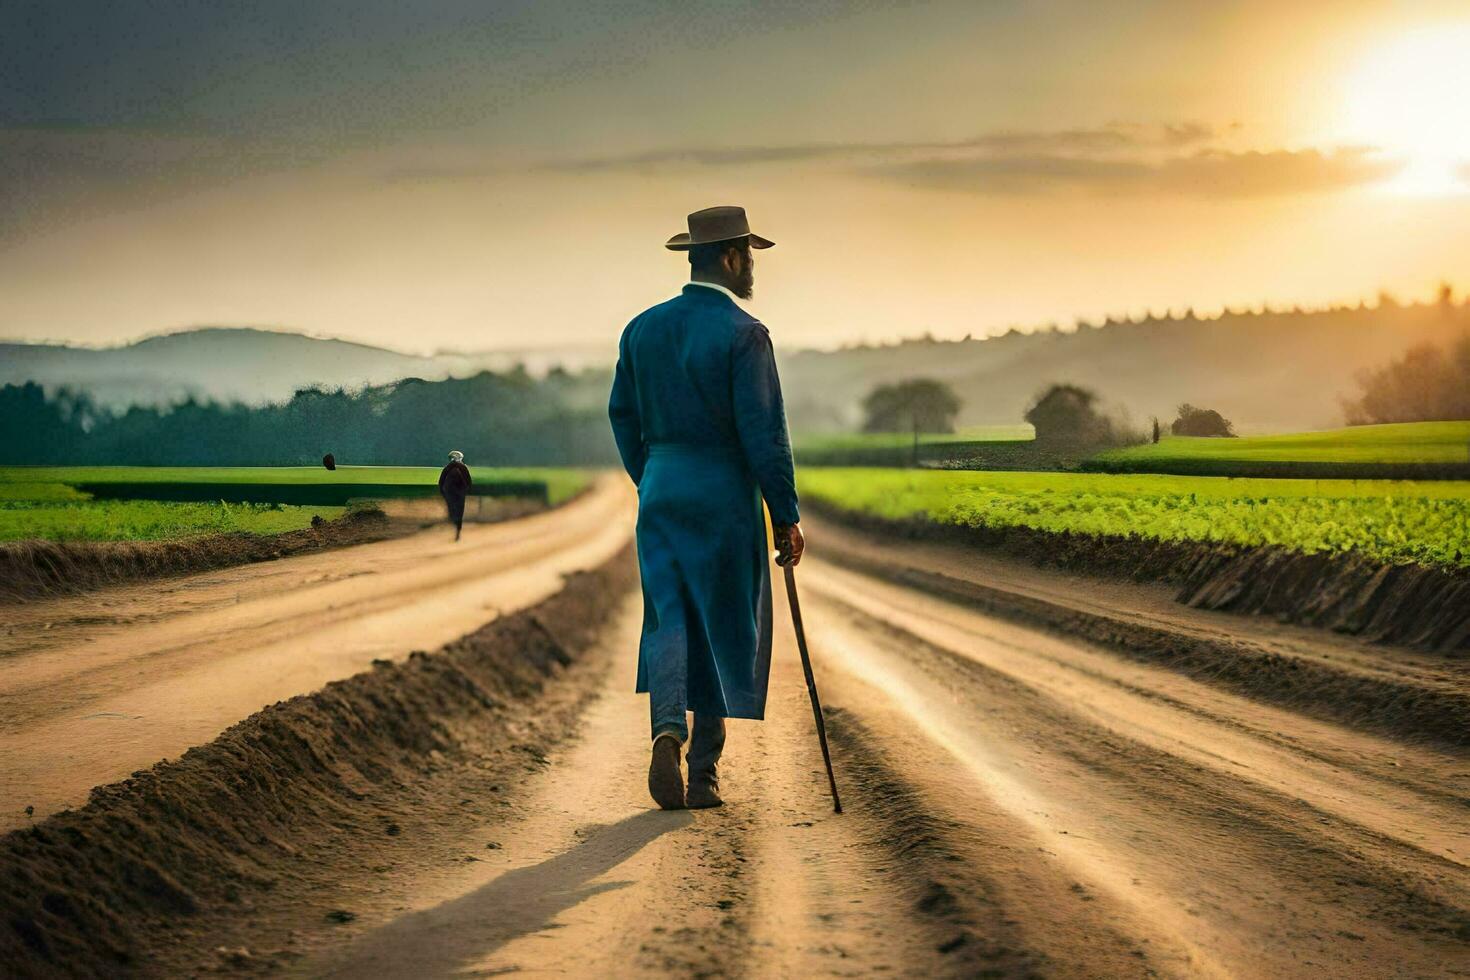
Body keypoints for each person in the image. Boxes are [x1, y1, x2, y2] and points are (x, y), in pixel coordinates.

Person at [609, 205, 804, 811]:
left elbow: (623, 416)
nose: (752, 268)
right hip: (724, 494)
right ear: (729, 257)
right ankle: (703, 775)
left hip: (662, 488)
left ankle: (668, 726)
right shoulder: (746, 334)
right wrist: (786, 514)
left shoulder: (640, 329)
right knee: (721, 622)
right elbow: (764, 436)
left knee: (668, 618)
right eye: (749, 255)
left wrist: (653, 477)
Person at [438, 450, 472, 541]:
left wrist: (443, 492)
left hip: (450, 493)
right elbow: (468, 482)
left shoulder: (447, 468)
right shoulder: (463, 467)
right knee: (459, 510)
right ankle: (457, 529)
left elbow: (441, 482)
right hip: (460, 493)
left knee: (452, 508)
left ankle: (453, 524)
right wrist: (466, 491)